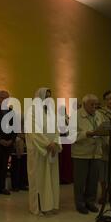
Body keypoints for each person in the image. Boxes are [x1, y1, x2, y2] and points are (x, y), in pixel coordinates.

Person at [25, 87, 62, 215]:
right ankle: (39, 207)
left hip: (51, 151)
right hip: (39, 152)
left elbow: (57, 130)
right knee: (39, 180)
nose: (48, 99)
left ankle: (50, 205)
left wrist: (55, 143)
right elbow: (33, 131)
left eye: (50, 97)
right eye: (46, 96)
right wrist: (47, 144)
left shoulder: (51, 112)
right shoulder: (32, 112)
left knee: (51, 179)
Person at [71, 94, 105, 214]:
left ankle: (90, 202)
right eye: (92, 104)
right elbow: (71, 136)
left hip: (96, 153)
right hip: (81, 153)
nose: (95, 106)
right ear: (84, 104)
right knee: (80, 181)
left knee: (93, 180)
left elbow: (102, 129)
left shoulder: (99, 115)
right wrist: (87, 134)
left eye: (96, 104)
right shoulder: (76, 116)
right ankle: (80, 203)